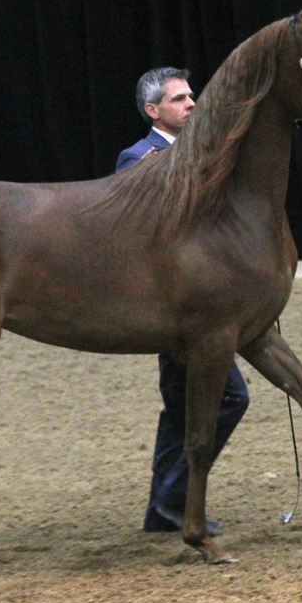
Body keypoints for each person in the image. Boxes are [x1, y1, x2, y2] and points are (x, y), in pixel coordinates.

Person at [116, 66, 250, 536]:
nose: (192, 104)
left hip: (203, 304)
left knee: (185, 408)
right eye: (180, 99)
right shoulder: (137, 158)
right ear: (153, 111)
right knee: (228, 397)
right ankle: (172, 501)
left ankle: (163, 510)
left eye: (192, 96)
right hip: (173, 309)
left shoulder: (204, 154)